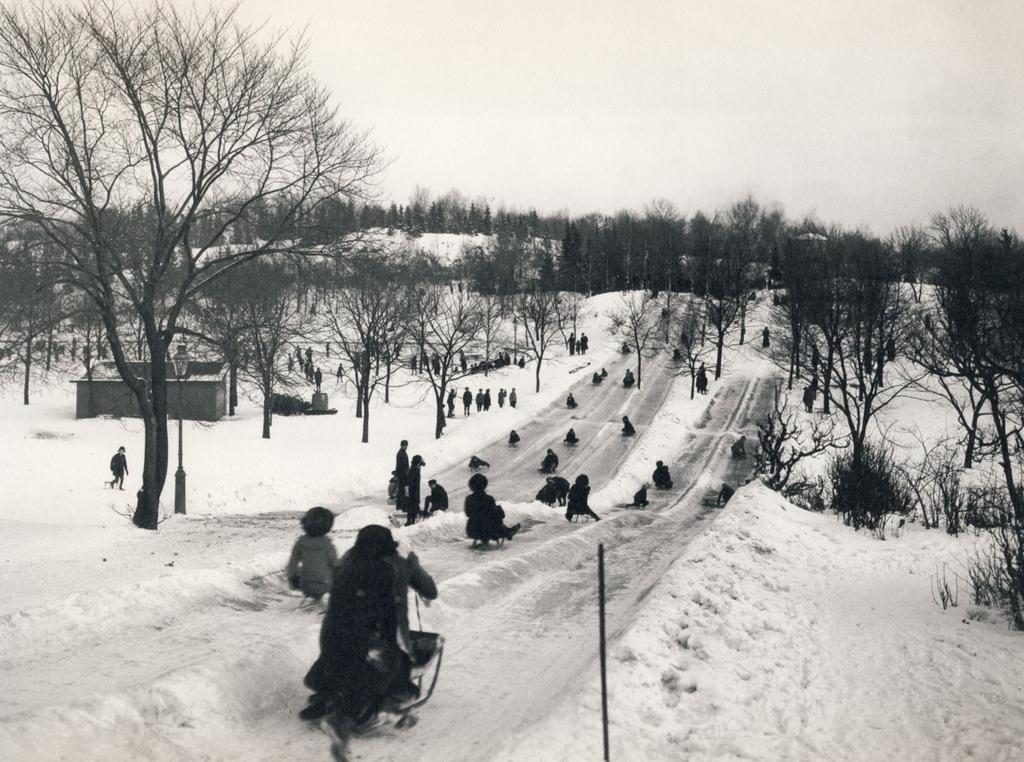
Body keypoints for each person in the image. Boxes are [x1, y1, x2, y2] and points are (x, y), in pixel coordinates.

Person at [300, 525, 438, 725]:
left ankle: (331, 694)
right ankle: (370, 706)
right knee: (390, 665)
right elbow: (425, 594)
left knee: (344, 658)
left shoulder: (347, 561)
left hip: (335, 634)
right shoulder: (396, 564)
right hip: (378, 635)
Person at [286, 506, 338, 601]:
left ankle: (313, 596)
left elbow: (292, 564)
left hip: (305, 584)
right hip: (325, 584)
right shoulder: (327, 545)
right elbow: (335, 565)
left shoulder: (300, 543)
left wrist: (292, 579)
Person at [464, 473, 520, 545]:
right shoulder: (489, 499)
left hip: (472, 530)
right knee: (496, 514)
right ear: (484, 485)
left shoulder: (469, 499)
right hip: (489, 531)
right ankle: (506, 532)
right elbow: (495, 516)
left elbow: (467, 513)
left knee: (487, 518)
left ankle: (506, 531)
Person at [402, 455, 425, 526]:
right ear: (418, 462)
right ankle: (411, 522)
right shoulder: (415, 470)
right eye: (420, 463)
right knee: (413, 506)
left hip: (413, 490)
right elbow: (411, 482)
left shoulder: (413, 468)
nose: (420, 465)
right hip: (413, 491)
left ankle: (410, 521)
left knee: (412, 506)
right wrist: (411, 492)